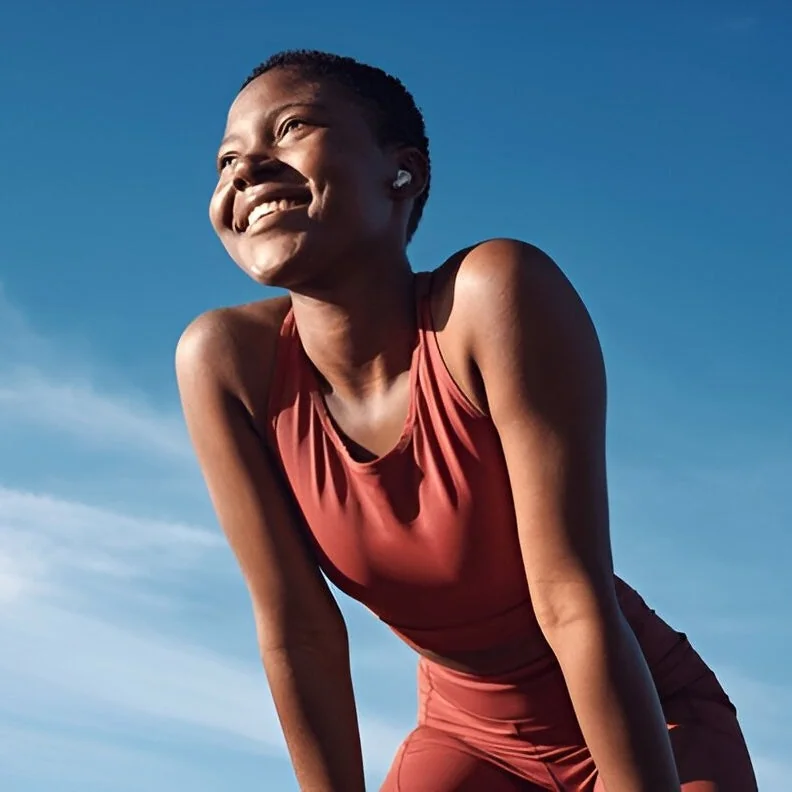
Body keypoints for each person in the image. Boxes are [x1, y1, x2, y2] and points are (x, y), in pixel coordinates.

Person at [175, 50, 758, 792]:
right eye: (227, 159)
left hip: (649, 722)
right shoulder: (224, 363)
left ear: (404, 172)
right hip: (467, 739)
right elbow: (298, 631)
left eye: (290, 128)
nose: (245, 170)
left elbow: (570, 598)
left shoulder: (492, 298)